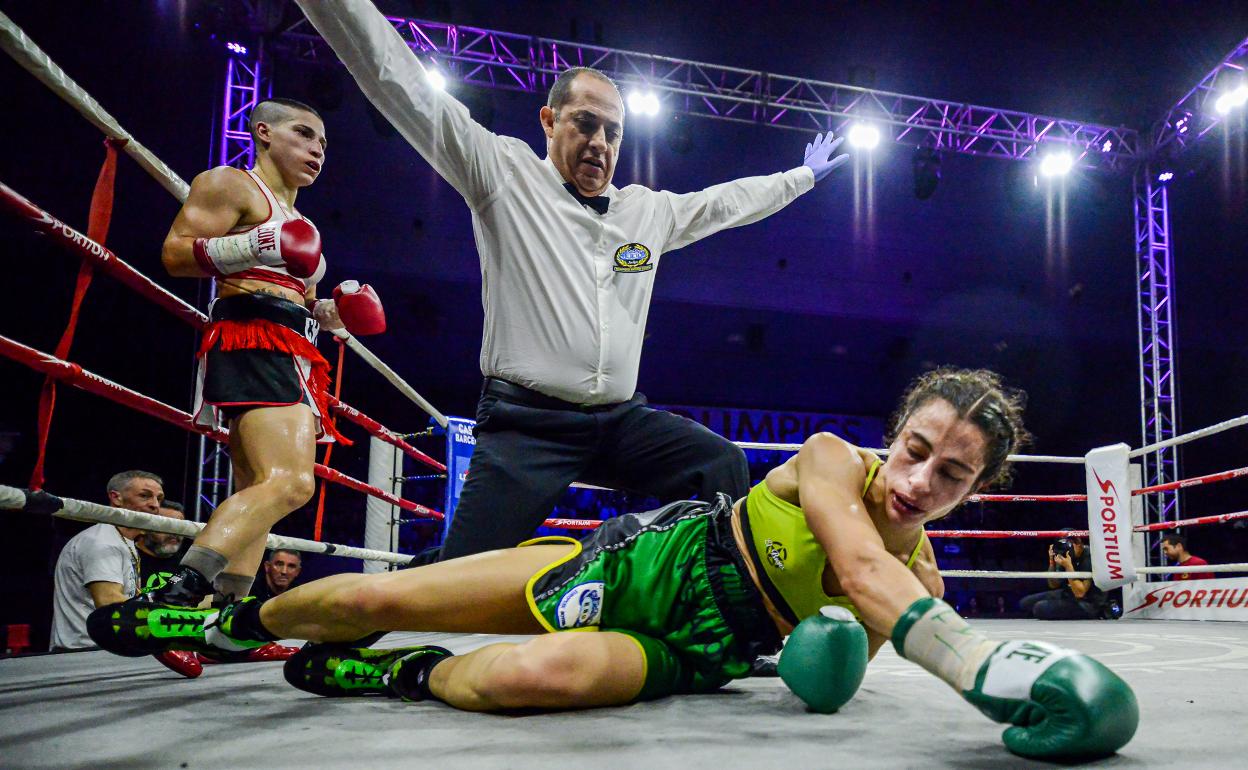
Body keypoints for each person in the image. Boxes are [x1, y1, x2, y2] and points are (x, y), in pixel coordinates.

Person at [90, 369, 1137, 760]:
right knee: (374, 591)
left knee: (521, 675)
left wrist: (831, 666)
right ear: (896, 429)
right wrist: (986, 668)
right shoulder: (831, 462)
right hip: (629, 564)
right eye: (917, 448)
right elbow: (862, 570)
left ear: (975, 491)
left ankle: (398, 671)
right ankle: (226, 624)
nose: (918, 481)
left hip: (686, 648)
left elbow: (837, 655)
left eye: (951, 476)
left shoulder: (928, 580)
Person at [291, 0, 851, 563]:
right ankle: (326, 614)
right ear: (550, 120)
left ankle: (706, 619)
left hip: (619, 419)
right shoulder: (503, 175)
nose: (600, 142)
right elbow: (401, 81)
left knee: (720, 466)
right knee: (455, 578)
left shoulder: (646, 212)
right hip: (527, 426)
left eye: (613, 131)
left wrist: (798, 178)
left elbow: (724, 204)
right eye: (586, 123)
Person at [137, 96, 386, 609]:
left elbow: (296, 291)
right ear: (264, 133)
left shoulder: (301, 221)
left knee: (257, 485)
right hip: (252, 337)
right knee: (292, 483)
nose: (317, 149)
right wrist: (252, 244)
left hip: (294, 344)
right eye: (303, 133)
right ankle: (179, 589)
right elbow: (174, 253)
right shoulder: (229, 183)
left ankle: (229, 615)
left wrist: (331, 312)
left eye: (323, 141)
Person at [50, 471, 161, 650]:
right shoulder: (102, 541)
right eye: (144, 496)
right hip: (85, 652)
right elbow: (110, 604)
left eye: (159, 498)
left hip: (104, 649)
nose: (155, 505)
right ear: (116, 498)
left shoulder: (124, 540)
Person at [1019, 534, 1107, 620]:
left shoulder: (1089, 556)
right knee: (1025, 603)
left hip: (1088, 602)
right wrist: (1052, 563)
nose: (1067, 550)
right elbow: (1053, 585)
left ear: (1079, 545)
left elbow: (1080, 593)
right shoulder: (1065, 553)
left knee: (1040, 608)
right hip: (1069, 594)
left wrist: (1068, 566)